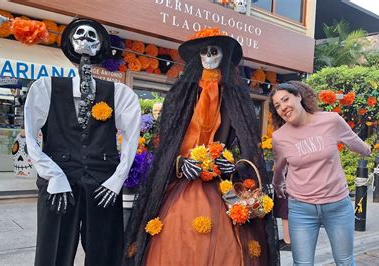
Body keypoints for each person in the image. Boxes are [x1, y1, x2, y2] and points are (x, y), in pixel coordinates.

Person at [124, 28, 278, 265]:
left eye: (214, 51)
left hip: (220, 183)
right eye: (204, 52)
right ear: (197, 57)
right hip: (181, 183)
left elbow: (246, 145)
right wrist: (179, 162)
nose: (209, 56)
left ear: (223, 56)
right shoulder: (181, 95)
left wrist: (231, 163)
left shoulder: (234, 98)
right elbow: (165, 142)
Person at [25, 19, 140, 266]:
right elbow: (30, 138)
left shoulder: (120, 94)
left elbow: (132, 140)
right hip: (58, 180)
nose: (86, 38)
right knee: (52, 248)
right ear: (70, 41)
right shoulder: (45, 88)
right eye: (80, 33)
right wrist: (52, 175)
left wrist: (117, 180)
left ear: (100, 45)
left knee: (105, 250)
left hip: (103, 182)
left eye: (93, 35)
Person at [269, 81, 371, 265]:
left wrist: (367, 149)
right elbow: (279, 166)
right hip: (301, 209)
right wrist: (277, 185)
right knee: (302, 264)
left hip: (337, 206)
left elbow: (355, 142)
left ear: (298, 96)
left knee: (344, 261)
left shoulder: (331, 120)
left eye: (286, 100)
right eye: (277, 106)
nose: (283, 107)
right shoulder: (279, 137)